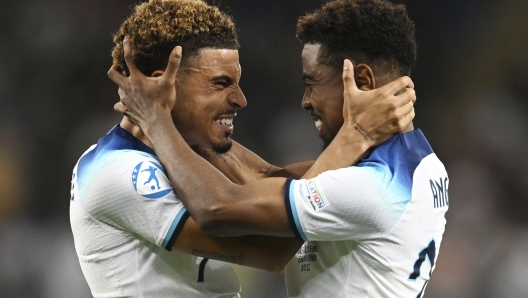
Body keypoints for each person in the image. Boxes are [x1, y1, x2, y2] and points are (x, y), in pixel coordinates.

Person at [71, 0, 415, 297]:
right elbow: (273, 249)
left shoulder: (191, 151)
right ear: (164, 85)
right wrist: (355, 136)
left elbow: (273, 179)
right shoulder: (115, 173)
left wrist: (378, 160)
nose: (239, 99)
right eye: (220, 84)